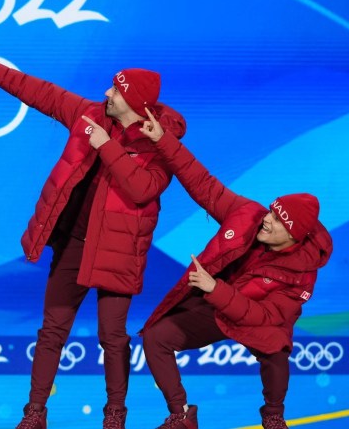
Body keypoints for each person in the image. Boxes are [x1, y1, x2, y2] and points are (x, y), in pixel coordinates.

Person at [0, 47, 186, 429]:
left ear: (131, 101)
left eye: (115, 90)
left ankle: (114, 415)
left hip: (118, 251)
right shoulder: (91, 116)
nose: (106, 93)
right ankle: (34, 413)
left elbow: (143, 188)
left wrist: (106, 146)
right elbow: (45, 94)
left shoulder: (160, 145)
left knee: (112, 337)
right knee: (52, 331)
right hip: (75, 245)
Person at [136, 108, 333, 429]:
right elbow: (204, 184)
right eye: (272, 210)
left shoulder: (301, 272)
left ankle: (273, 417)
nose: (267, 219)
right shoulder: (248, 215)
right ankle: (181, 414)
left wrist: (216, 290)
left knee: (276, 350)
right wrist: (162, 140)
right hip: (216, 305)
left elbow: (264, 317)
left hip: (254, 313)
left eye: (278, 219)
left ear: (294, 235)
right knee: (157, 337)